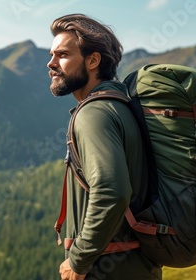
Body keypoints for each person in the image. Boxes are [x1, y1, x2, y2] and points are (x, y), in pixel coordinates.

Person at [47, 14, 162, 280]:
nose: (51, 63)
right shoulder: (120, 105)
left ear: (93, 60)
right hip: (136, 265)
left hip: (108, 269)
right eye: (52, 54)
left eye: (62, 55)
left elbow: (112, 191)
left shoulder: (94, 113)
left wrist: (78, 260)